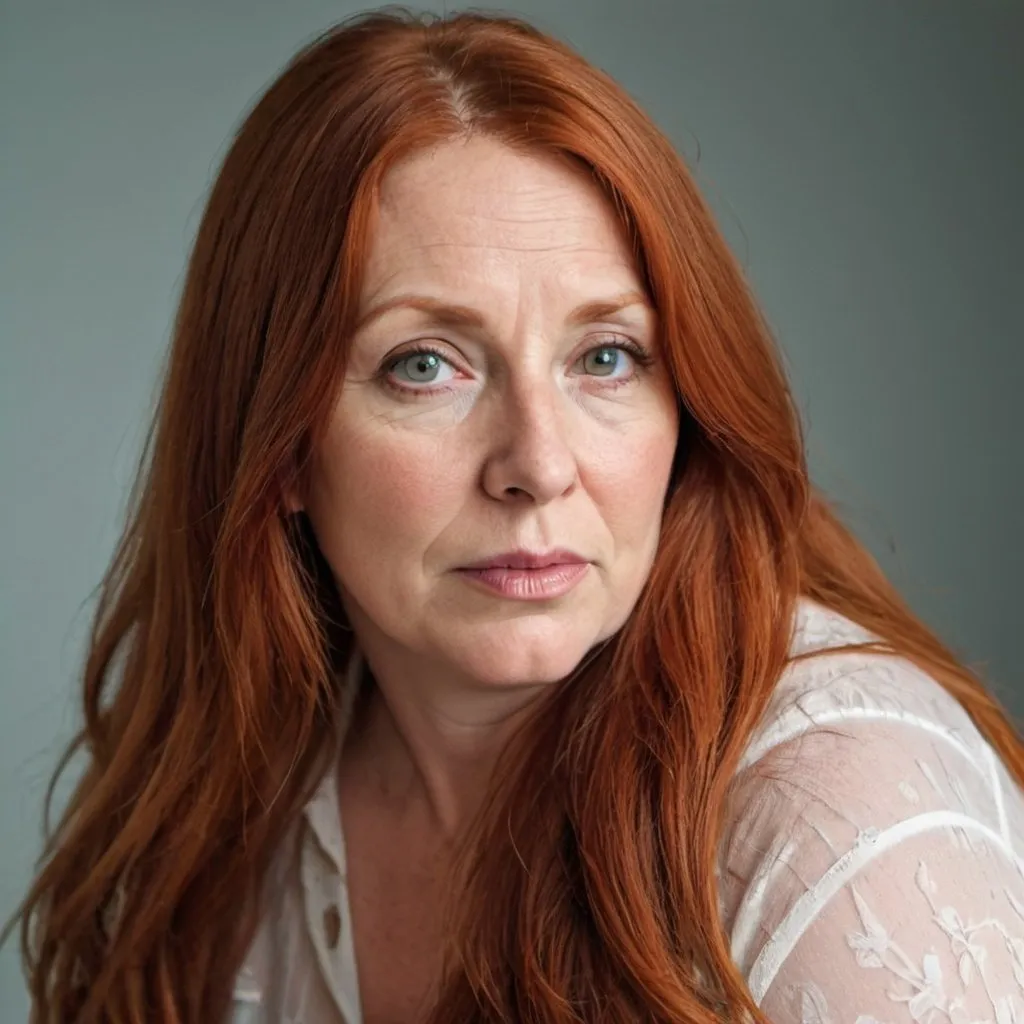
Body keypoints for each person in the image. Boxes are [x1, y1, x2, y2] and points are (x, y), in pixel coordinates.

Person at [7, 8, 1024, 1024]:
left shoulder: (841, 813)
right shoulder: (233, 803)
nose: (537, 465)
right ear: (278, 446)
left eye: (605, 357)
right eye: (425, 366)